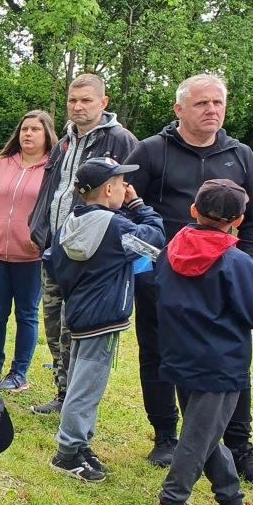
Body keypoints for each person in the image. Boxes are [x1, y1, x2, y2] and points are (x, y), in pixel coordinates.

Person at [126, 74, 253, 485]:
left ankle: (241, 449)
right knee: (157, 355)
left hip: (224, 284)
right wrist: (151, 266)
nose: (211, 110)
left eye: (217, 103)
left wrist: (238, 268)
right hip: (165, 281)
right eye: (201, 103)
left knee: (230, 364)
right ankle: (166, 436)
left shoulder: (241, 155)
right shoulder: (153, 151)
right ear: (179, 110)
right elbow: (125, 208)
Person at [153, 179, 253, 505]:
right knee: (198, 437)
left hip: (179, 355)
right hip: (221, 363)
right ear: (238, 220)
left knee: (205, 434)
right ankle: (171, 504)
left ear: (193, 210)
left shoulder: (172, 246)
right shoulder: (235, 260)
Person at [47, 157, 164, 483]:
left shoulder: (72, 220)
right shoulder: (116, 226)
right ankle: (68, 452)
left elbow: (54, 264)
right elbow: (155, 239)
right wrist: (139, 204)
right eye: (122, 183)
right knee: (87, 386)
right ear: (109, 188)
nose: (126, 188)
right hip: (103, 317)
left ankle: (79, 444)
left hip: (80, 312)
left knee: (81, 381)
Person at [27, 74, 138, 415]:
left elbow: (128, 192)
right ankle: (62, 394)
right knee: (52, 322)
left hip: (91, 253)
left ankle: (74, 403)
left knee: (74, 328)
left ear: (103, 103)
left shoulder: (121, 141)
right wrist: (39, 228)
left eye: (86, 100)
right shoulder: (64, 141)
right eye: (72, 100)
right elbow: (55, 188)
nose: (77, 106)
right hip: (57, 246)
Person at [0, 110, 57, 391]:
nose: (28, 134)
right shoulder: (1, 165)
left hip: (32, 257)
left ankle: (19, 373)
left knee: (26, 314)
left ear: (47, 134)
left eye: (35, 129)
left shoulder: (53, 170)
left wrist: (42, 240)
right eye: (25, 129)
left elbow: (57, 210)